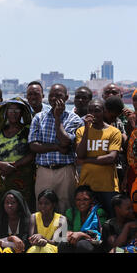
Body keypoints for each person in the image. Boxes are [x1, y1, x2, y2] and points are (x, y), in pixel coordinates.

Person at [28, 84, 84, 214]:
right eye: (52, 96)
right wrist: (56, 147)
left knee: (65, 208)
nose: (54, 99)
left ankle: (64, 234)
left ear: (66, 97)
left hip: (65, 170)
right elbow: (33, 145)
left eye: (58, 96)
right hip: (44, 170)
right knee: (42, 208)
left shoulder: (74, 119)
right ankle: (42, 234)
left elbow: (66, 142)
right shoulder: (39, 117)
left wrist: (57, 118)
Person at [75, 99, 122, 217]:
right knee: (87, 220)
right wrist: (86, 129)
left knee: (110, 219)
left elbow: (111, 158)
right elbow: (80, 154)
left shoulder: (114, 132)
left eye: (97, 111)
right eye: (90, 111)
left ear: (104, 111)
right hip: (86, 186)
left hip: (108, 186)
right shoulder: (81, 131)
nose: (93, 114)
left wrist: (86, 160)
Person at [0, 98, 36, 209]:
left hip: (23, 176)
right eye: (10, 110)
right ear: (6, 112)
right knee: (3, 206)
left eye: (17, 110)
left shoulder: (28, 130)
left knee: (22, 206)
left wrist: (15, 164)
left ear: (22, 113)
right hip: (2, 176)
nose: (13, 114)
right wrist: (0, 164)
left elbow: (32, 153)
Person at [59, 185, 107, 253]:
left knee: (82, 245)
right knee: (63, 244)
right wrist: (68, 233)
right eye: (78, 200)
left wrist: (82, 235)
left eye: (85, 199)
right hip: (74, 243)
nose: (81, 203)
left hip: (93, 245)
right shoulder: (71, 212)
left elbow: (101, 237)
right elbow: (68, 230)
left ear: (91, 200)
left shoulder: (98, 213)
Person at [27, 189, 67, 253]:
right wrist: (36, 240)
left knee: (44, 250)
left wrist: (43, 238)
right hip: (35, 247)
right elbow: (31, 239)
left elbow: (54, 242)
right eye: (40, 203)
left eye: (46, 203)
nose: (43, 206)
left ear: (53, 205)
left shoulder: (61, 219)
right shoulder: (34, 217)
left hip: (51, 249)